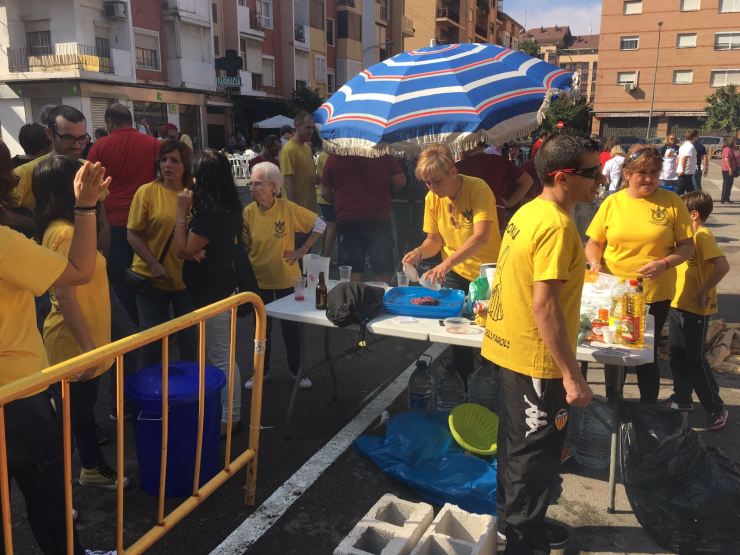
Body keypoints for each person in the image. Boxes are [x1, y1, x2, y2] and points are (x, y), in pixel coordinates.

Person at [481, 132, 596, 554]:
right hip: (535, 361)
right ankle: (522, 542)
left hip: (513, 351)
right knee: (533, 462)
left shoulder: (528, 211)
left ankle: (511, 531)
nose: (600, 180)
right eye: (592, 173)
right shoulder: (557, 227)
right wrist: (572, 375)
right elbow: (545, 307)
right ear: (562, 177)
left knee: (517, 452)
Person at [0, 156, 113, 554]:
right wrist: (86, 205)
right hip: (17, 395)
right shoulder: (5, 243)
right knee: (47, 502)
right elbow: (78, 272)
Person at [32, 155, 129, 491]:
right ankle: (58, 492)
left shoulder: (74, 226)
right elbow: (65, 296)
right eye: (82, 179)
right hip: (74, 343)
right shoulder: (63, 233)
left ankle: (89, 468)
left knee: (81, 412)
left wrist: (94, 201)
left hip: (85, 338)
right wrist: (88, 349)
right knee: (68, 420)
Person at [586, 145, 695, 404]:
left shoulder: (672, 202)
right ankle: (614, 406)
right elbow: (594, 242)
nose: (649, 178)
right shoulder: (612, 202)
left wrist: (665, 264)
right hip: (614, 292)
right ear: (627, 174)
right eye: (642, 173)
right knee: (614, 352)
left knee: (646, 354)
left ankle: (648, 410)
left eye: (654, 172)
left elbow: (687, 246)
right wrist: (594, 262)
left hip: (654, 293)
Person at [402, 144, 501, 381]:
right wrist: (419, 252)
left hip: (487, 274)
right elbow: (434, 240)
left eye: (437, 181)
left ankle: (491, 381)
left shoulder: (478, 188)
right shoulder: (432, 199)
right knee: (457, 332)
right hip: (456, 272)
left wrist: (444, 265)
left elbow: (481, 237)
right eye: (427, 183)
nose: (433, 188)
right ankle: (464, 383)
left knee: (490, 333)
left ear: (453, 172)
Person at [174, 149, 248, 435]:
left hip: (214, 294)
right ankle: (227, 413)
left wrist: (181, 212)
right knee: (220, 356)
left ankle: (231, 418)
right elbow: (192, 247)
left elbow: (182, 248)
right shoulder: (223, 206)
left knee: (221, 358)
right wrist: (193, 249)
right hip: (217, 289)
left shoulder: (213, 212)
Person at [242, 162, 325, 390]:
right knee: (261, 331)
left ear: (274, 186)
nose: (252, 188)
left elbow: (319, 224)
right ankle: (260, 372)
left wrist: (302, 250)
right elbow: (243, 243)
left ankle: (297, 371)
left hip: (287, 280)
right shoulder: (248, 212)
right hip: (259, 280)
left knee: (291, 330)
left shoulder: (287, 208)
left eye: (258, 184)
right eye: (251, 183)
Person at [87, 103, 161, 323]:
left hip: (114, 222)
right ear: (131, 120)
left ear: (109, 122)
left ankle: (131, 327)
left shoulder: (100, 147)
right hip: (147, 220)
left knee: (121, 279)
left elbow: (89, 182)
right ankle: (154, 324)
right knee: (150, 272)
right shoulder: (152, 143)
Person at [126, 140, 198, 366]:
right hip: (152, 278)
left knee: (189, 340)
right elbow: (133, 234)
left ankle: (190, 383)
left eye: (174, 160)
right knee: (152, 342)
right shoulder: (147, 192)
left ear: (186, 165)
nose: (167, 165)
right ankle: (152, 384)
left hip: (186, 280)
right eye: (164, 159)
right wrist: (153, 264)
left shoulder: (194, 194)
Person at [667, 191, 729, 430]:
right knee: (677, 354)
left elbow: (722, 266)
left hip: (696, 308)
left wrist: (704, 290)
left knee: (695, 361)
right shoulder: (686, 238)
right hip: (678, 304)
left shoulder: (703, 236)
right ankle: (682, 397)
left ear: (693, 214)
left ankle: (716, 407)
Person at [321, 153, 406, 283]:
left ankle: (354, 296)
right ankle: (382, 294)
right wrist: (385, 192)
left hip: (348, 217)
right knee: (382, 269)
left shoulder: (335, 157)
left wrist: (340, 201)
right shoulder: (382, 154)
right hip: (378, 215)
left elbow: (324, 192)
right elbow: (400, 181)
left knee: (352, 270)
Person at [14, 105, 91, 211]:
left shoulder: (91, 170)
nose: (77, 145)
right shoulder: (24, 173)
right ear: (49, 134)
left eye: (82, 138)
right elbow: (5, 212)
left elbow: (101, 213)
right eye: (68, 138)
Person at [455, 145, 533, 234]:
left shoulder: (459, 167)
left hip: (470, 218)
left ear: (468, 144)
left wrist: (510, 203)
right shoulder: (500, 160)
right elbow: (527, 181)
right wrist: (510, 203)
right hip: (497, 214)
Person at [280, 112, 318, 214]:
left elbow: (305, 174)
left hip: (309, 207)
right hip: (297, 210)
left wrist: (316, 178)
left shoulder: (307, 147)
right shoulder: (289, 149)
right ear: (297, 126)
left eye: (312, 128)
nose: (311, 131)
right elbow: (288, 181)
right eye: (308, 127)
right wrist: (295, 209)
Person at [315, 149, 336, 259]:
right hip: (327, 195)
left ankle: (323, 252)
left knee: (328, 226)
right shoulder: (327, 156)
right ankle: (326, 257)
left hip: (322, 195)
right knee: (332, 226)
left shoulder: (324, 154)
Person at [676, 129, 698, 195]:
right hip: (686, 173)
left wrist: (678, 168)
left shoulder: (684, 145)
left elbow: (678, 158)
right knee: (680, 191)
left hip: (687, 172)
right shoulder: (690, 147)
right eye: (697, 136)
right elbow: (684, 158)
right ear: (694, 137)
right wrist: (683, 170)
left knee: (690, 191)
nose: (698, 137)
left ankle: (690, 201)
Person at [720, 136, 737, 204]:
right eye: (735, 141)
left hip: (727, 169)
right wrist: (730, 168)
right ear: (731, 142)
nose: (736, 142)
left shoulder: (728, 149)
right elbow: (726, 159)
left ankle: (726, 198)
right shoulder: (728, 149)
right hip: (727, 170)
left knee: (728, 185)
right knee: (727, 185)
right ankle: (724, 199)